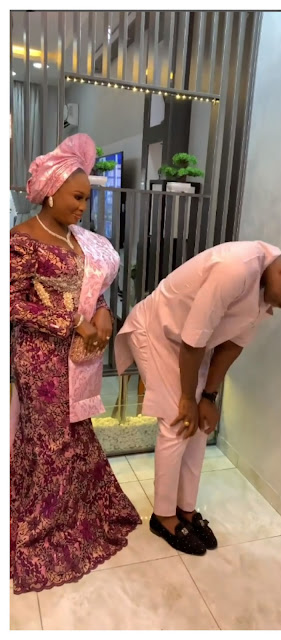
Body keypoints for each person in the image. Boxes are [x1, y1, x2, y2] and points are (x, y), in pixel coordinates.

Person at [115, 242, 281, 555]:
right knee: (177, 421)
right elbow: (192, 341)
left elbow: (232, 345)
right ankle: (164, 517)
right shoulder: (235, 268)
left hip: (193, 346)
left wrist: (208, 397)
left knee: (199, 426)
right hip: (159, 333)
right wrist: (187, 398)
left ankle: (186, 509)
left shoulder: (269, 285)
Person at [10, 134, 141, 595]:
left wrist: (102, 313)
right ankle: (43, 525)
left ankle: (75, 511)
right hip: (41, 359)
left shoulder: (79, 240)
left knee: (74, 433)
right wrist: (73, 323)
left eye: (87, 199)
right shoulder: (22, 240)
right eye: (77, 197)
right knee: (51, 443)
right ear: (51, 191)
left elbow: (94, 291)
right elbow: (12, 302)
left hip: (78, 359)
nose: (84, 207)